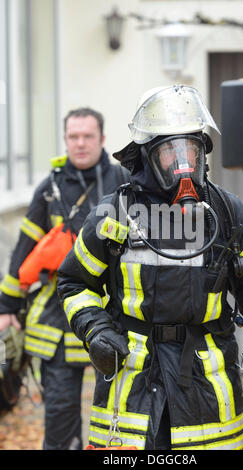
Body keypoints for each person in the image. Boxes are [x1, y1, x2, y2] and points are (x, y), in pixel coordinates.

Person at [57, 86, 243, 451]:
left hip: (208, 400)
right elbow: (74, 282)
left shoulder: (229, 215)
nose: (182, 163)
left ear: (202, 152)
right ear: (147, 156)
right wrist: (95, 330)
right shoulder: (114, 213)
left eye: (190, 149)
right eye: (169, 151)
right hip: (132, 395)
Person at [0, 107, 129, 450]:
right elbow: (25, 248)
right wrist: (7, 306)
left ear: (102, 139)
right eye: (74, 136)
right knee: (59, 415)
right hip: (59, 320)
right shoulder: (50, 188)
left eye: (88, 136)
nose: (81, 143)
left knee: (124, 419)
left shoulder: (124, 182)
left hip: (117, 318)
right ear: (65, 140)